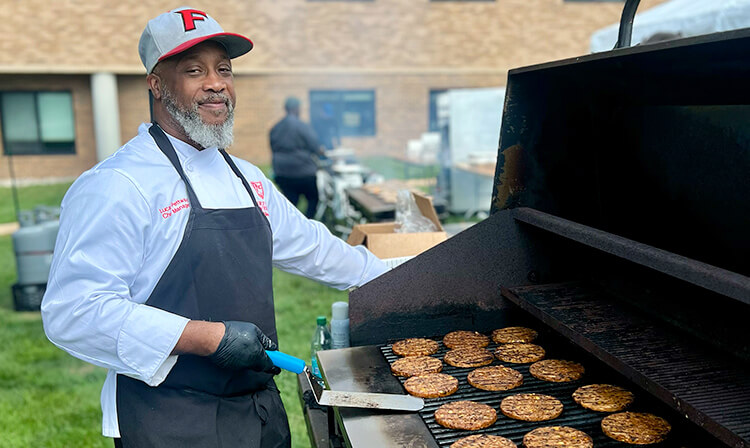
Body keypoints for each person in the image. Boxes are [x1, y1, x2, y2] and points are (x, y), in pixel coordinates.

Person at [40, 7, 387, 448]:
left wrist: (423, 270)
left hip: (259, 411)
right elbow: (74, 311)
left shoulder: (247, 178)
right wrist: (208, 338)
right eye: (194, 70)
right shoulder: (119, 185)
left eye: (224, 69)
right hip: (170, 420)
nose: (216, 83)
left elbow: (322, 252)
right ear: (157, 84)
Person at [269, 97, 324, 218]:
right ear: (296, 108)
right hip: (303, 172)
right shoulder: (302, 126)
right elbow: (315, 146)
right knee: (313, 198)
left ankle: (291, 225)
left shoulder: (276, 128)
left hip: (282, 172)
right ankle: (308, 222)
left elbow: (273, 147)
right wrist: (323, 152)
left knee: (290, 202)